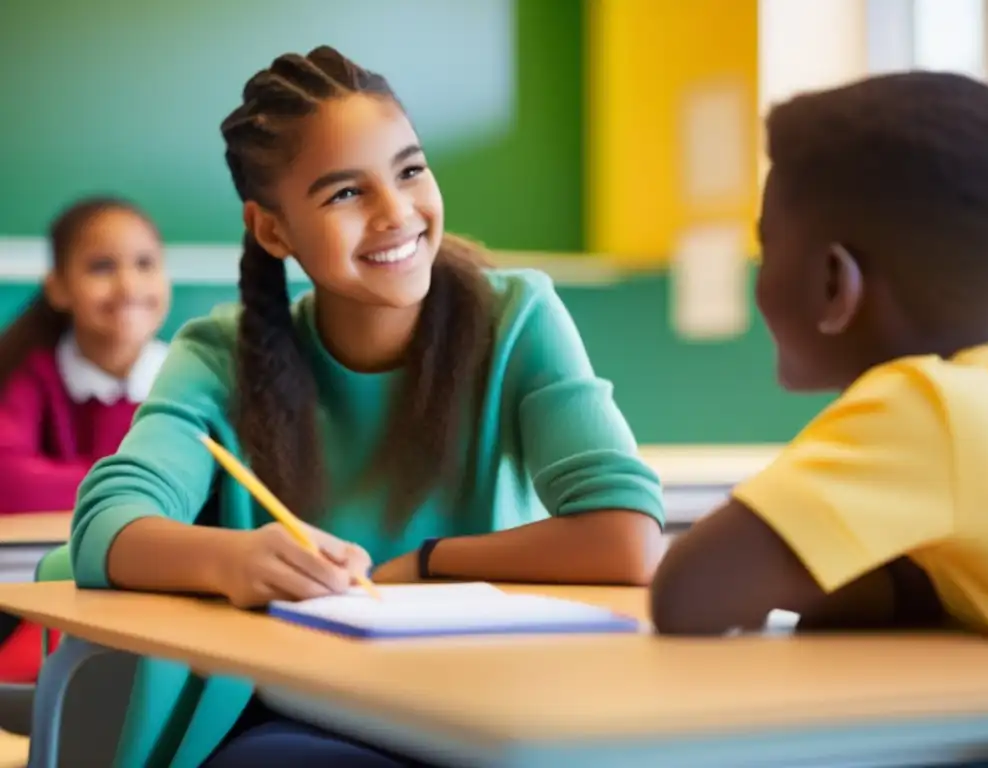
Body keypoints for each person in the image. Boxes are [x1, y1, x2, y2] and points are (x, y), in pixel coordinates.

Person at [69, 46, 664, 768]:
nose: (395, 214)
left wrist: (423, 564)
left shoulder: (518, 317)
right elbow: (106, 525)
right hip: (301, 714)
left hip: (484, 704)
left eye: (410, 170)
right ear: (273, 231)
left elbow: (627, 539)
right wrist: (235, 560)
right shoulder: (218, 353)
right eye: (345, 193)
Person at [650, 71, 988, 643]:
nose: (760, 278)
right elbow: (902, 595)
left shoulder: (925, 405)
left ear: (833, 283)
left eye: (766, 248)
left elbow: (689, 593)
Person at [0, 197, 169, 683]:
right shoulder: (28, 372)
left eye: (145, 263)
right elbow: (10, 484)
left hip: (134, 586)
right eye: (101, 266)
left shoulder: (185, 379)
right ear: (58, 287)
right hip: (29, 585)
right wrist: (126, 486)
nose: (128, 285)